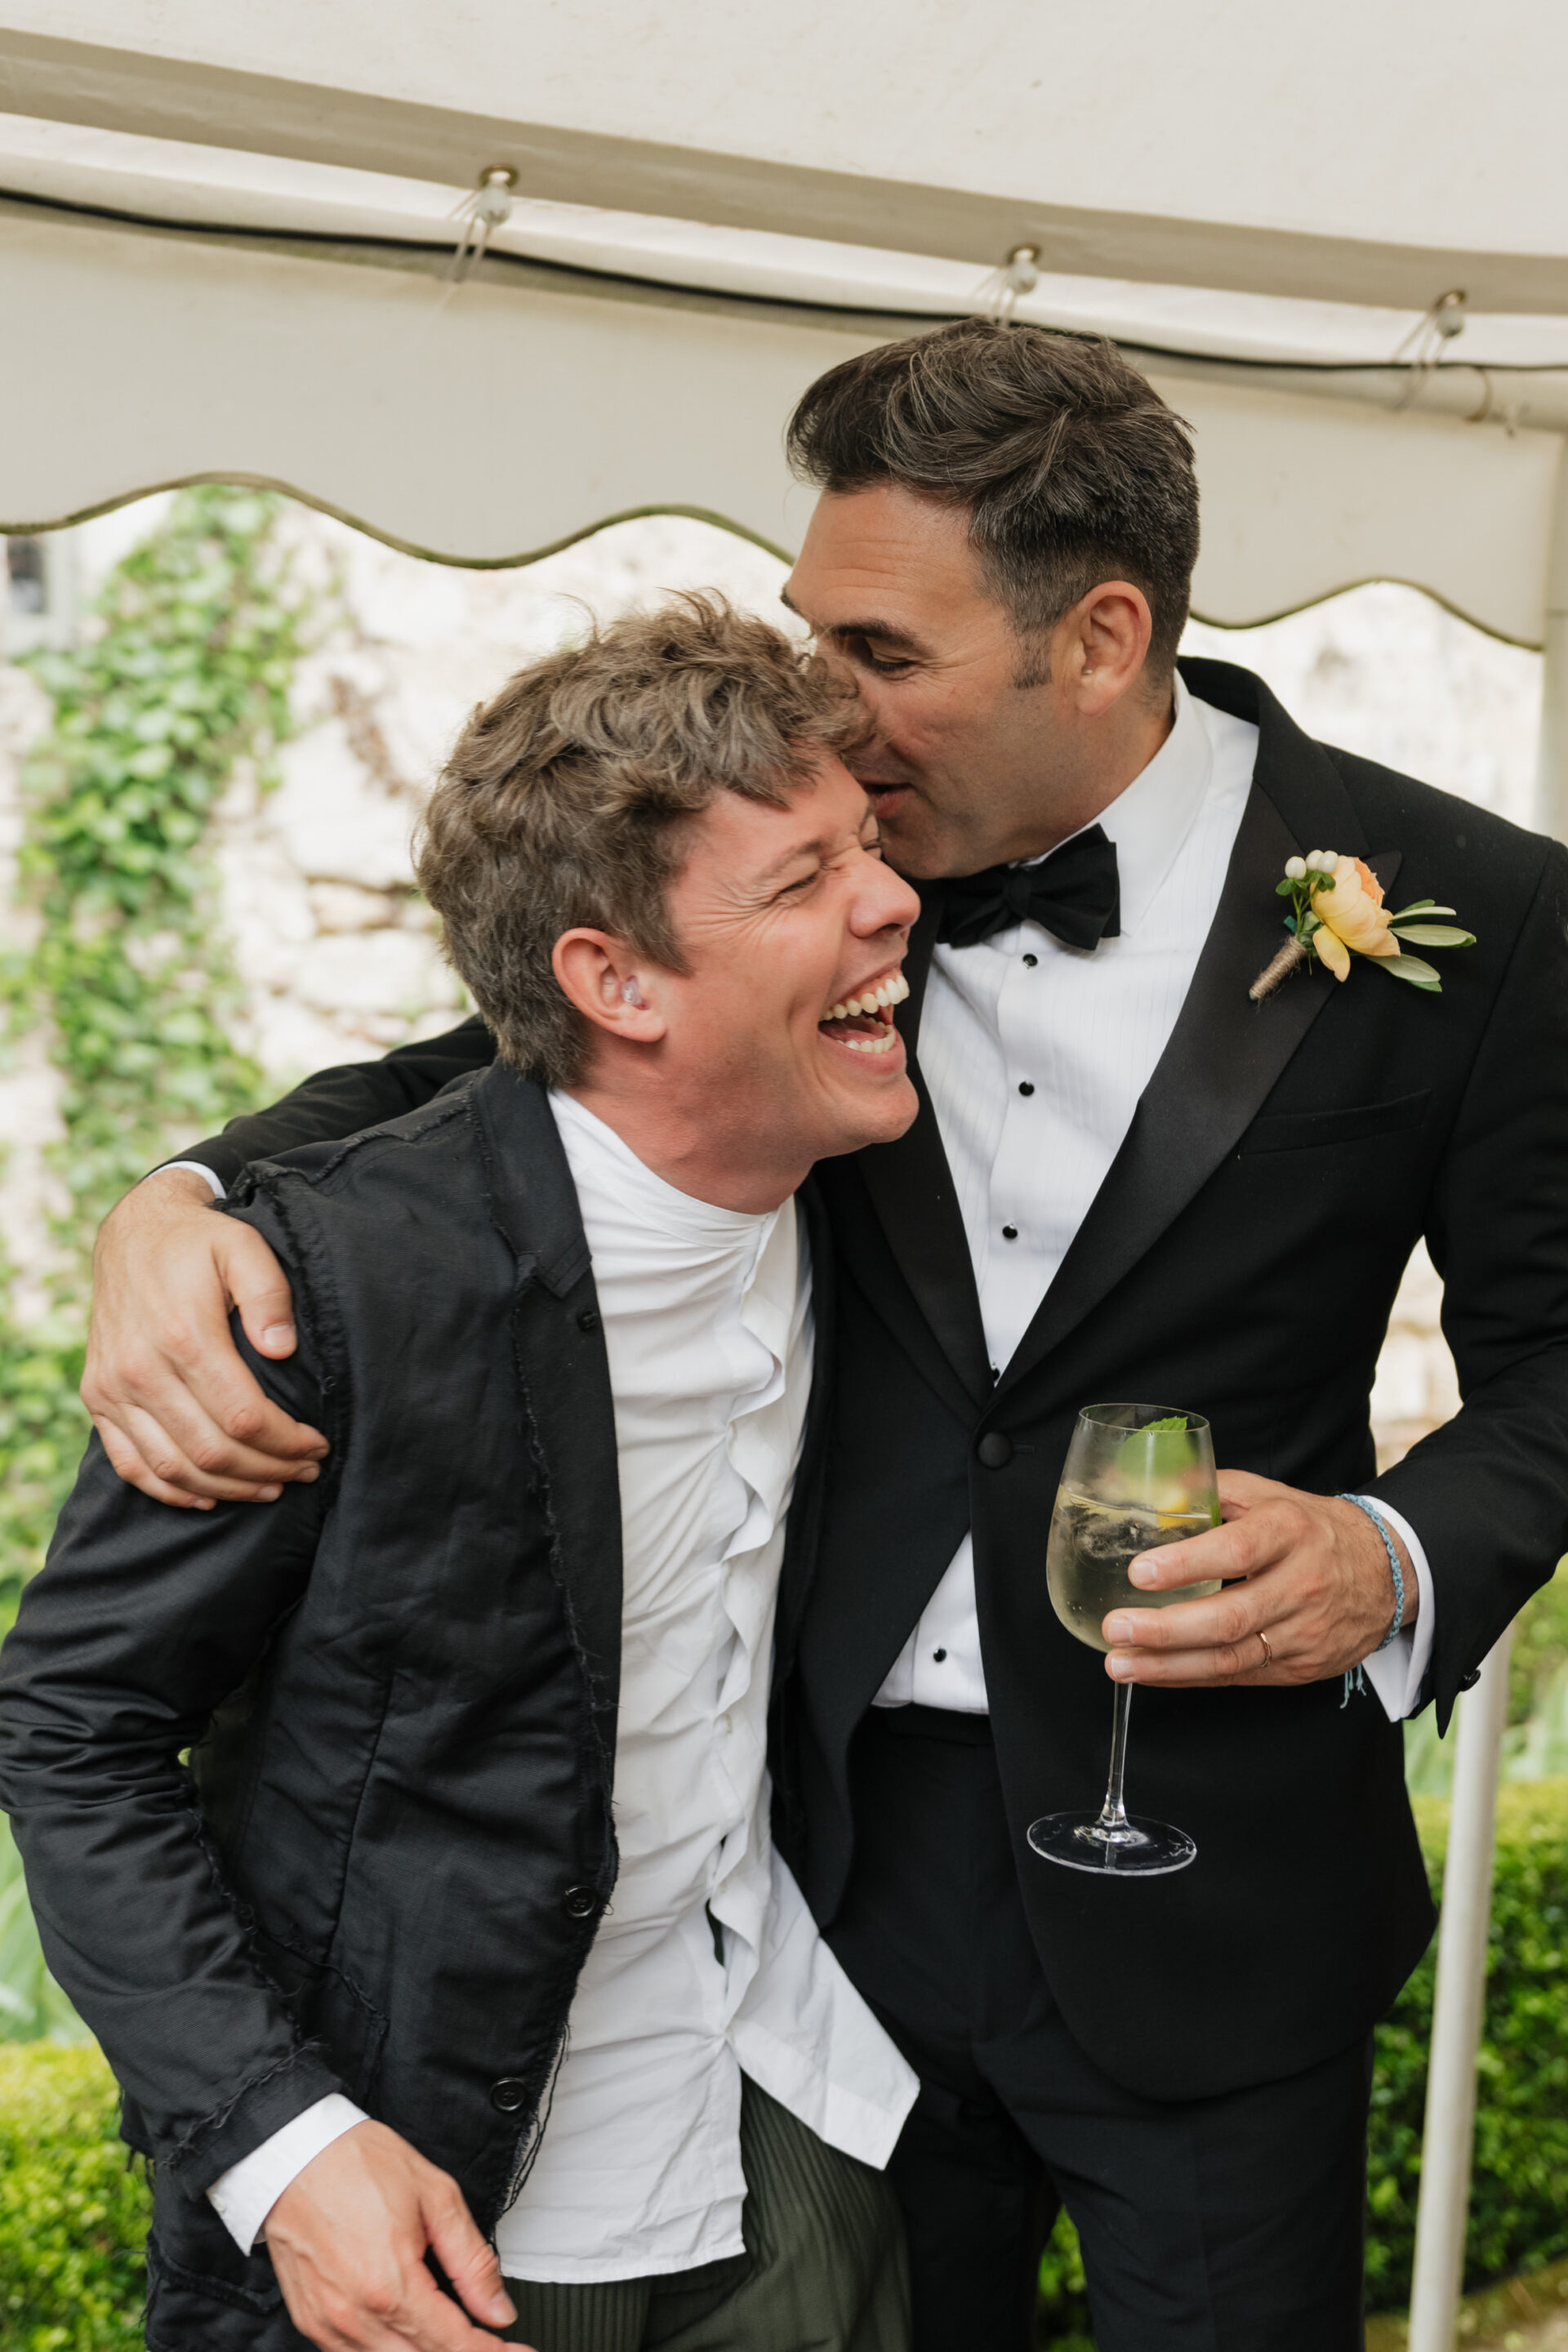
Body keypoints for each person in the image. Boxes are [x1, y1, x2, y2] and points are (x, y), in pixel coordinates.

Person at [78, 323, 1568, 2350]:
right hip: (821, 1891)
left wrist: (1388, 1556)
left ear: (1103, 637)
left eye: (881, 655)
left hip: (1212, 1878)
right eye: (811, 633)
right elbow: (512, 1050)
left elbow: (1561, 1361)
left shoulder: (1483, 917)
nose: (823, 709)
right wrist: (177, 1202)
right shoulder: (831, 887)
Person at [0, 597, 924, 2352]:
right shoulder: (328, 1283)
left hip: (785, 2114)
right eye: (802, 882)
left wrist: (169, 1179)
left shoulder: (864, 1159)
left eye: (868, 846)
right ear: (614, 981)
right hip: (444, 2210)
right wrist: (281, 2145)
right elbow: (69, 1724)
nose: (889, 903)